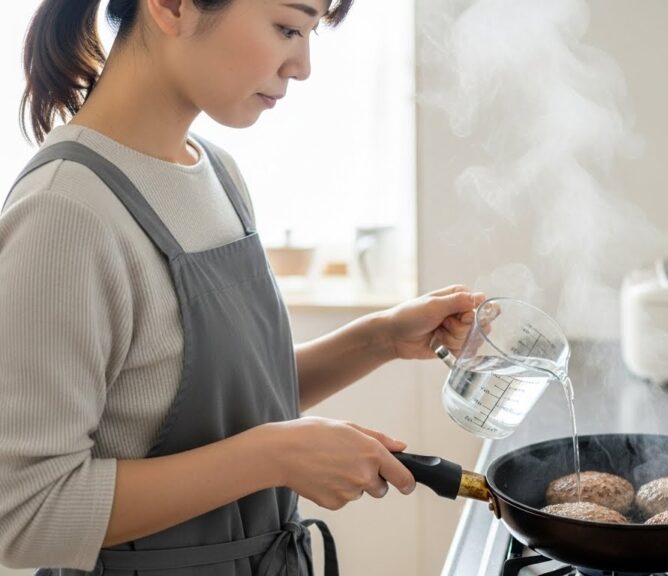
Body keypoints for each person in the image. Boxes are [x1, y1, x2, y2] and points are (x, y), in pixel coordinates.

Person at [0, 1, 485, 574]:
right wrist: (277, 456)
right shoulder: (65, 213)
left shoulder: (218, 173)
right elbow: (26, 515)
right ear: (172, 6)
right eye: (287, 28)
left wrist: (377, 340)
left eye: (309, 35)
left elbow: (220, 405)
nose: (302, 65)